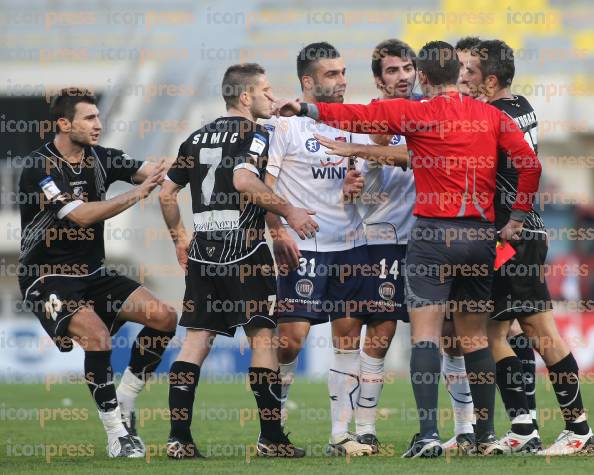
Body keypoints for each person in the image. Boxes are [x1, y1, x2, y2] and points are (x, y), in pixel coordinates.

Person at [276, 41, 542, 457]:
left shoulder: (417, 113)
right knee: (473, 339)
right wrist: (518, 218)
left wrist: (307, 110)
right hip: (478, 237)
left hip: (433, 238)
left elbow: (358, 116)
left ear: (422, 76)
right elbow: (531, 164)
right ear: (458, 73)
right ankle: (485, 436)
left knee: (425, 337)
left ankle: (429, 436)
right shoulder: (489, 115)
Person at [159, 63, 316, 459]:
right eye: (264, 89)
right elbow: (245, 181)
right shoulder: (257, 135)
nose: (270, 94)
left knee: (196, 341)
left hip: (203, 254)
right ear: (244, 97)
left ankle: (178, 439)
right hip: (245, 251)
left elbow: (166, 194)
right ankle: (271, 439)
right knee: (262, 338)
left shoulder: (195, 137)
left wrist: (181, 240)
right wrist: (290, 213)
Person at [18, 88, 177, 458]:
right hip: (47, 277)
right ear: (63, 123)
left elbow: (150, 172)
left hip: (92, 272)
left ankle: (125, 400)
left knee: (165, 317)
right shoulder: (40, 167)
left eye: (98, 117)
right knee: (98, 338)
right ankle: (116, 435)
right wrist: (138, 195)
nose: (98, 125)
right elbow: (81, 215)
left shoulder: (101, 158)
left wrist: (188, 162)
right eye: (89, 118)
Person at [460, 39, 593, 455]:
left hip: (515, 237)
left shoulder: (491, 116)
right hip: (520, 235)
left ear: (491, 79)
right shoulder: (521, 105)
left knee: (540, 332)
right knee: (495, 330)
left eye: (472, 72)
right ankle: (524, 428)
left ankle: (580, 431)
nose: (465, 78)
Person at [264, 42, 375, 456]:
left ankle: (340, 435)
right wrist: (277, 231)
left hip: (351, 244)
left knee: (348, 338)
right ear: (307, 81)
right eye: (332, 74)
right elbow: (265, 190)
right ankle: (273, 425)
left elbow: (359, 188)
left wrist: (354, 192)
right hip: (304, 249)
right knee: (290, 340)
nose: (342, 80)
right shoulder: (285, 126)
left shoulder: (353, 123)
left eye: (343, 72)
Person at [321, 39, 419, 452]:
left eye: (408, 68)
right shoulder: (362, 119)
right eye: (393, 71)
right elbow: (347, 184)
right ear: (379, 80)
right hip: (364, 238)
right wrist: (350, 186)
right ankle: (341, 432)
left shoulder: (428, 115)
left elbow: (419, 156)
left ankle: (366, 429)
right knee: (348, 331)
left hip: (411, 242)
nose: (402, 76)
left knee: (382, 335)